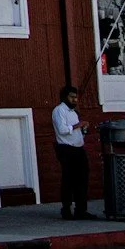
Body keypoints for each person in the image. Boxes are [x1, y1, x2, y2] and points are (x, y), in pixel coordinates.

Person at [51, 85, 91, 220]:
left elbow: (77, 131)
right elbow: (62, 130)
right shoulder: (59, 110)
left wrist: (83, 129)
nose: (75, 100)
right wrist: (78, 125)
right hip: (66, 149)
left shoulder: (74, 113)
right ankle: (66, 209)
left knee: (82, 179)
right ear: (64, 97)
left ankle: (81, 209)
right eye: (72, 97)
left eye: (76, 97)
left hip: (79, 148)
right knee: (68, 179)